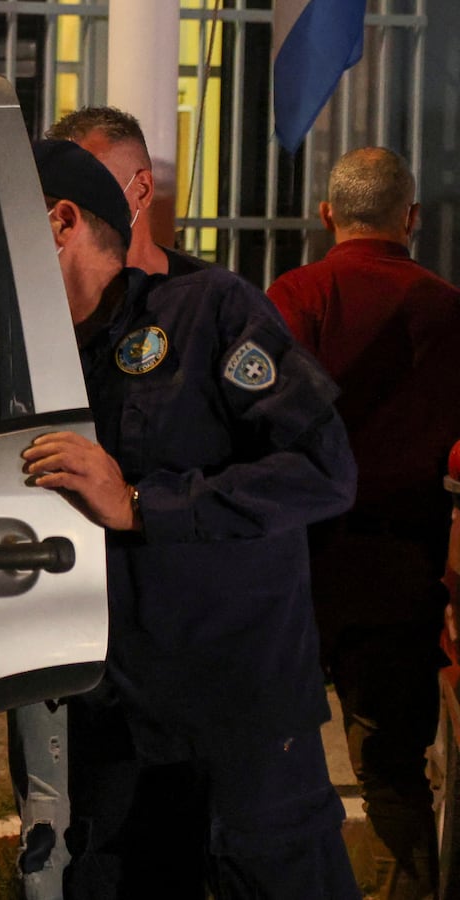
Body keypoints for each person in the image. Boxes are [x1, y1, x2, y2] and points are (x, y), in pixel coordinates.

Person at [22, 139, 359, 898]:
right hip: (109, 715)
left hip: (237, 714)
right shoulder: (25, 349)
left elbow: (324, 471)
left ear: (59, 221)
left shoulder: (210, 308)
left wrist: (143, 505)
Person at [266, 146, 460, 900]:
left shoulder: (296, 296)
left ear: (326, 215)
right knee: (393, 778)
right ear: (411, 219)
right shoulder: (448, 309)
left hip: (296, 573)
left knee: (268, 766)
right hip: (400, 577)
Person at [47, 106, 208, 278]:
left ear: (142, 190)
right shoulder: (40, 289)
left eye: (90, 182)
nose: (70, 204)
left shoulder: (212, 296)